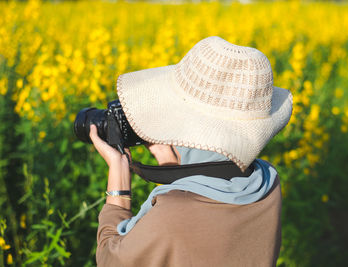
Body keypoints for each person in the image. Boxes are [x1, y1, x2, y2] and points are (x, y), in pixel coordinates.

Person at [89, 36, 293, 267]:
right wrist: (173, 167)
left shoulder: (173, 215)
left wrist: (118, 186)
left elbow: (111, 259)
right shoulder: (266, 184)